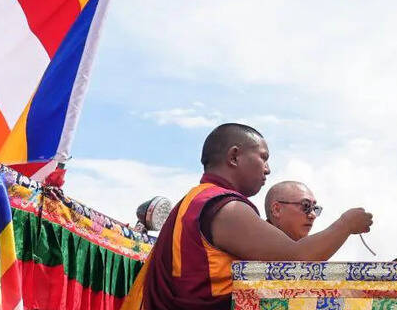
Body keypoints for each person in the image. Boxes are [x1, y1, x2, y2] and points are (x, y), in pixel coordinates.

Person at [123, 123, 373, 310]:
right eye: (263, 157)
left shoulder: (192, 201)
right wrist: (345, 225)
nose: (267, 169)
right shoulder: (224, 207)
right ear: (234, 157)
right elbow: (297, 260)